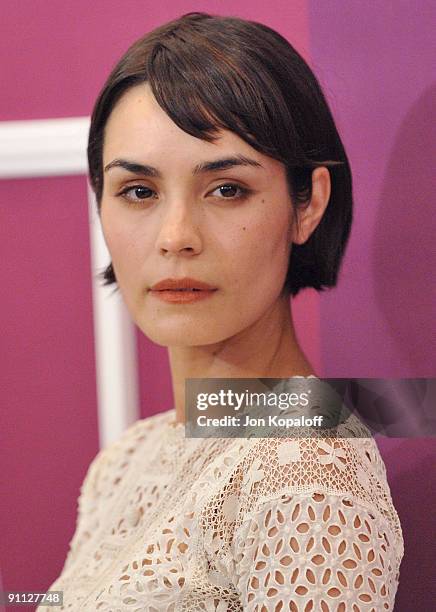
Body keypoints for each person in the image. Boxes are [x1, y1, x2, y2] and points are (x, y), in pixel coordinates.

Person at [38, 12, 404, 611]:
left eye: (226, 188)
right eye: (139, 191)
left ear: (307, 203)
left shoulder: (305, 477)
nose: (176, 236)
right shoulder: (125, 462)